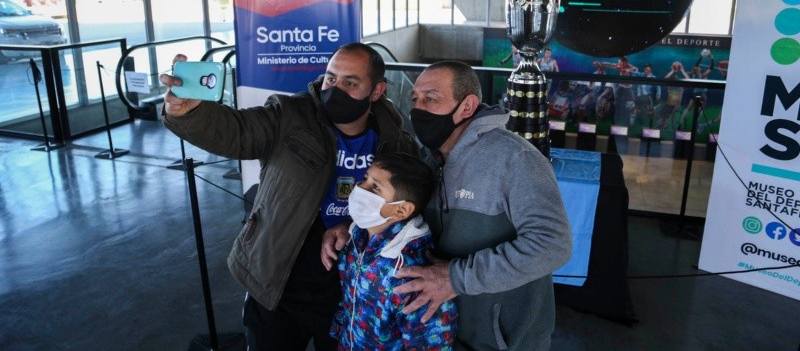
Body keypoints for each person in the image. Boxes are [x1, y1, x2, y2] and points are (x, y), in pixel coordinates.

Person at [159, 42, 418, 351]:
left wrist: (351, 227)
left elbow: (404, 213)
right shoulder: (289, 114)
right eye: (330, 78)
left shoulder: (395, 142)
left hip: (351, 290)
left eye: (350, 82)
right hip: (279, 280)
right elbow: (237, 132)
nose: (335, 88)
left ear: (376, 91)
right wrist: (191, 113)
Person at [394, 60, 572, 351]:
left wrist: (455, 278)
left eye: (431, 98)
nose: (418, 108)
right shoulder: (428, 160)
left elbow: (553, 244)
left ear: (466, 107)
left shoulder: (515, 159)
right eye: (415, 99)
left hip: (504, 340)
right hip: (443, 332)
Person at [329, 152, 457, 350]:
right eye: (365, 179)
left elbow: (430, 343)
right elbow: (348, 302)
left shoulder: (413, 274)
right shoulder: (355, 241)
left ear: (401, 210)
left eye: (375, 187)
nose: (361, 188)